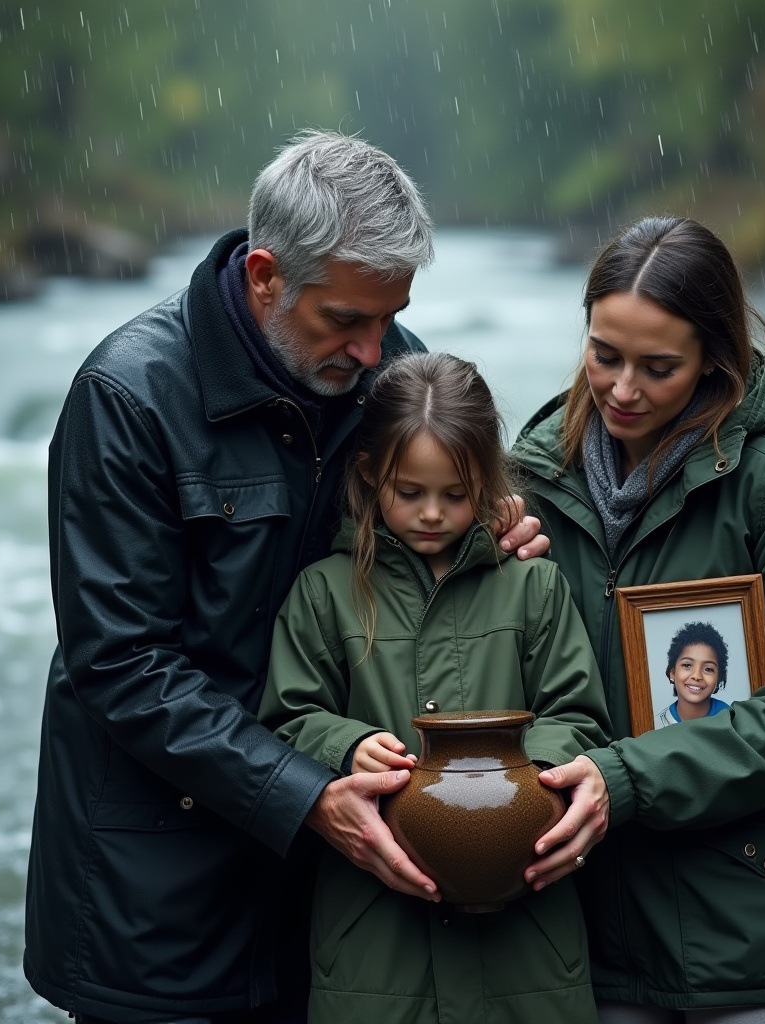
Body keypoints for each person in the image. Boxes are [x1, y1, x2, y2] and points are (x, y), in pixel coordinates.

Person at [24, 131, 547, 1024]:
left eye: (391, 317)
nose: (376, 351)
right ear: (266, 275)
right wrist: (305, 796)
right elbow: (121, 663)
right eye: (345, 320)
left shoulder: (388, 369)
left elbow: (435, 515)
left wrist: (491, 531)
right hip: (154, 888)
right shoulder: (127, 396)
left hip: (334, 890)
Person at [511, 216, 765, 1023]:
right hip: (581, 921)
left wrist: (624, 780)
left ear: (714, 356)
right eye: (605, 354)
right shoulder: (528, 480)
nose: (622, 389)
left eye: (658, 367)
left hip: (749, 923)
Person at [258, 351, 610, 1024]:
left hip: (527, 945)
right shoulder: (325, 594)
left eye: (455, 494)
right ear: (369, 475)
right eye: (408, 492)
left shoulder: (532, 584)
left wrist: (524, 779)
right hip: (373, 945)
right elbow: (286, 717)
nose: (431, 514)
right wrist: (349, 743)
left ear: (488, 481)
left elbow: (580, 711)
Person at [654, 621, 731, 728]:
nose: (696, 676)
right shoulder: (657, 726)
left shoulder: (731, 720)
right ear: (672, 672)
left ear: (719, 679)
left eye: (708, 669)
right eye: (687, 665)